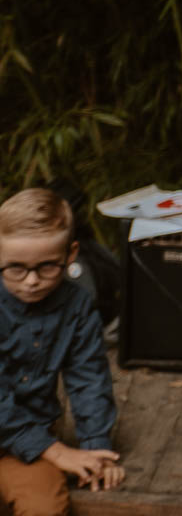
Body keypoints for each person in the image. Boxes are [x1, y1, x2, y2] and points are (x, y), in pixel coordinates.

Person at [0, 188, 123, 515]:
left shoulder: (77, 305)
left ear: (70, 255)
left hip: (27, 447)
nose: (31, 282)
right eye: (15, 268)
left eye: (46, 267)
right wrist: (56, 452)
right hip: (38, 442)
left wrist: (97, 449)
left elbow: (89, 377)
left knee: (45, 507)